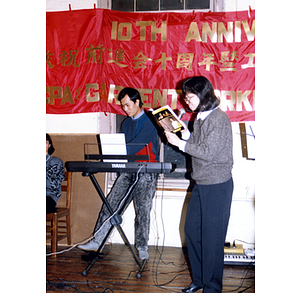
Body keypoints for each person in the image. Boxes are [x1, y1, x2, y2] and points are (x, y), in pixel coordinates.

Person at [165, 76, 233, 293]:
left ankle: (212, 288)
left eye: (190, 96)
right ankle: (200, 280)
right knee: (192, 231)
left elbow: (208, 153)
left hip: (217, 185)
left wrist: (180, 143)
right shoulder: (200, 118)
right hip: (202, 183)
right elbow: (199, 144)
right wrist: (185, 134)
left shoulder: (219, 119)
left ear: (204, 95)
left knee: (212, 240)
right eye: (185, 96)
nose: (186, 101)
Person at [78, 87, 159, 260]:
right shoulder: (126, 123)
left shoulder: (150, 121)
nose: (125, 109)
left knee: (143, 210)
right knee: (110, 203)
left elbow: (137, 146)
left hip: (146, 171)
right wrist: (108, 156)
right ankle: (98, 240)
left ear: (138, 102)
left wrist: (113, 153)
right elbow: (121, 147)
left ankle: (142, 246)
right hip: (128, 170)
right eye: (123, 106)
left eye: (128, 105)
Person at [46, 133, 65, 214]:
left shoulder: (56, 162)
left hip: (49, 196)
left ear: (49, 145)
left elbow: (54, 184)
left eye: (44, 142)